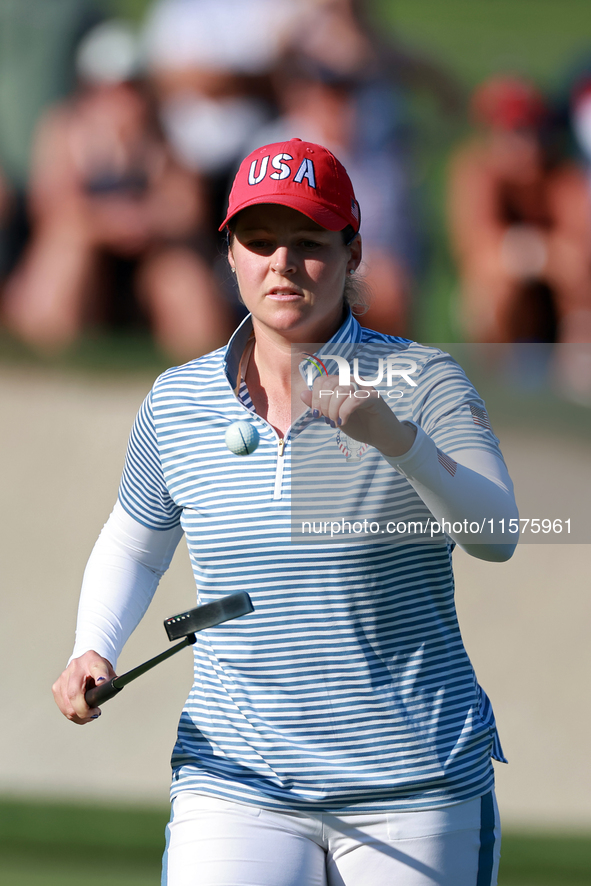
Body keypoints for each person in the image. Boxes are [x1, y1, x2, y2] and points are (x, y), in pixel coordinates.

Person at [53, 138, 519, 886]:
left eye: (307, 242)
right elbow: (136, 543)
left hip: (414, 779)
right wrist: (92, 645)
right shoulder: (177, 401)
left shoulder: (422, 379)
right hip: (235, 776)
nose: (281, 262)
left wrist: (394, 439)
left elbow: (496, 534)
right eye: (259, 240)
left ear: (351, 251)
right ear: (229, 251)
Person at [447, 75, 591, 345]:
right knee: (493, 294)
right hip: (507, 308)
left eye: (534, 131)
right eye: (516, 132)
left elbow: (577, 256)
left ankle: (577, 372)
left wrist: (537, 256)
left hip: (556, 305)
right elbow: (477, 251)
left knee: (581, 291)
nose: (528, 144)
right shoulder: (477, 172)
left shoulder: (561, 177)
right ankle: (497, 377)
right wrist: (542, 254)